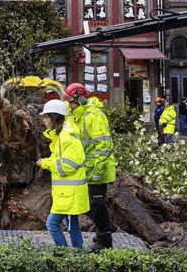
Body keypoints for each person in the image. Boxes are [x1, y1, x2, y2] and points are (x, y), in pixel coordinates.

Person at [65, 83, 117, 252]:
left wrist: (97, 171)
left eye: (71, 102)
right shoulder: (78, 115)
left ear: (80, 99)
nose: (69, 105)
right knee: (86, 204)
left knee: (96, 204)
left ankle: (105, 241)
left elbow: (104, 146)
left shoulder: (94, 116)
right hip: (87, 169)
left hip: (98, 170)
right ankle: (107, 225)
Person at [37, 99, 89, 249]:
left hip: (69, 195)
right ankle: (78, 257)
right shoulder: (62, 135)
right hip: (67, 194)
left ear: (54, 117)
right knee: (73, 227)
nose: (44, 120)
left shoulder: (67, 137)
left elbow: (68, 165)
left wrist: (46, 164)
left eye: (46, 117)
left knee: (52, 224)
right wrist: (46, 161)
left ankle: (64, 255)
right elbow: (60, 159)